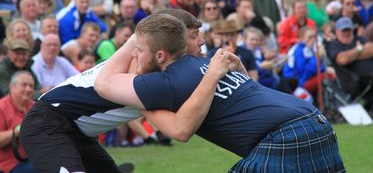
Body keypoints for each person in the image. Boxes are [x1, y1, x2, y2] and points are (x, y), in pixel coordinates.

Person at [94, 13, 345, 172]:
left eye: (138, 49)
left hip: (286, 138)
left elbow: (103, 83)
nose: (134, 55)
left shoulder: (164, 81)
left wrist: (131, 43)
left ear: (160, 54)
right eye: (193, 36)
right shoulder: (211, 64)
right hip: (316, 123)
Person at [20, 11, 233, 173]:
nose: (203, 41)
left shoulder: (158, 66)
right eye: (195, 35)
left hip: (79, 132)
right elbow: (179, 130)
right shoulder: (143, 68)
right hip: (46, 123)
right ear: (174, 40)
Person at [325, 17, 373, 121]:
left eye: (348, 30)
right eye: (343, 30)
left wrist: (351, 55)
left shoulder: (359, 39)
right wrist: (359, 49)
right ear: (337, 31)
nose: (346, 33)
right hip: (356, 82)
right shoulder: (334, 45)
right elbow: (342, 60)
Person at [0, 71, 36, 173]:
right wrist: (19, 129)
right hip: (11, 165)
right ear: (12, 86)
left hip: (34, 158)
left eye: (31, 86)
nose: (29, 89)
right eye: (24, 85)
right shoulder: (1, 107)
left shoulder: (35, 107)